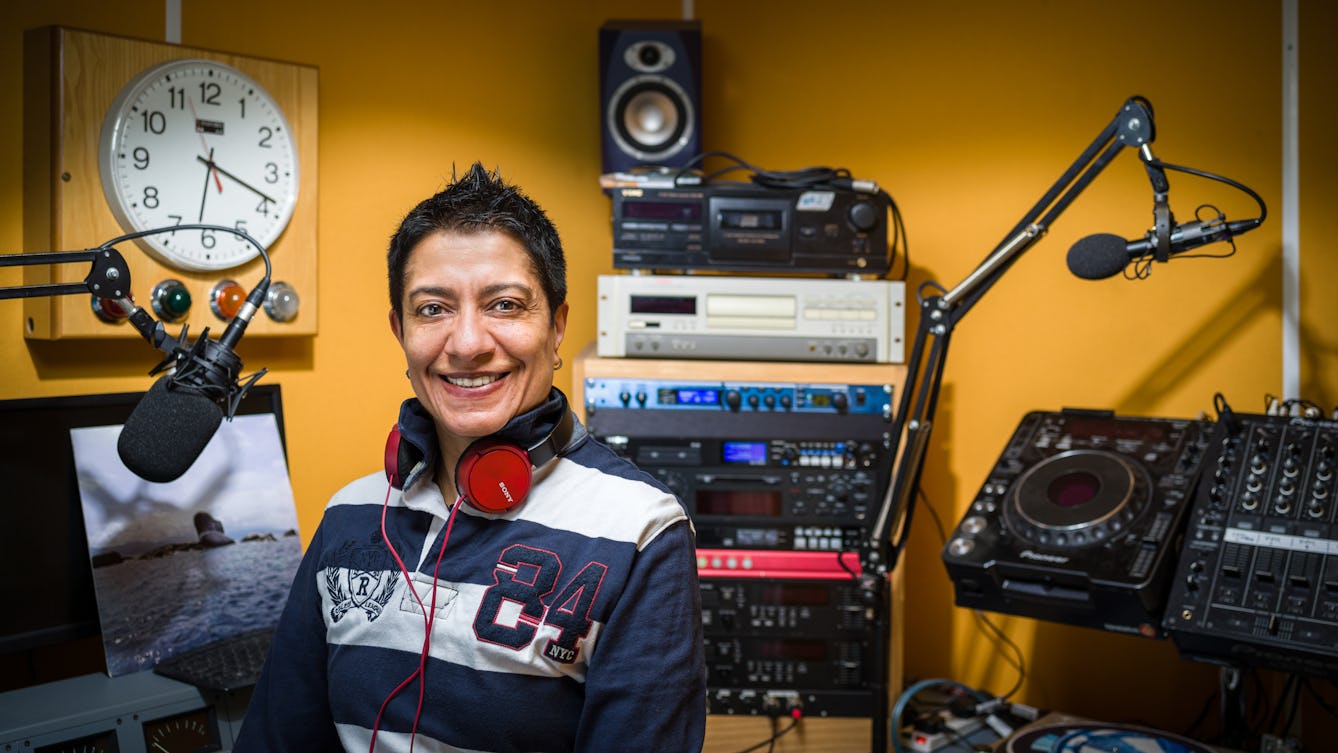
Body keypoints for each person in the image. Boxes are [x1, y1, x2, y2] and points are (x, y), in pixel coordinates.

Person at [236, 163, 707, 752]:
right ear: (400, 332)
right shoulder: (349, 514)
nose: (466, 344)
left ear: (557, 325)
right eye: (433, 309)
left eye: (504, 305)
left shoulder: (643, 532)